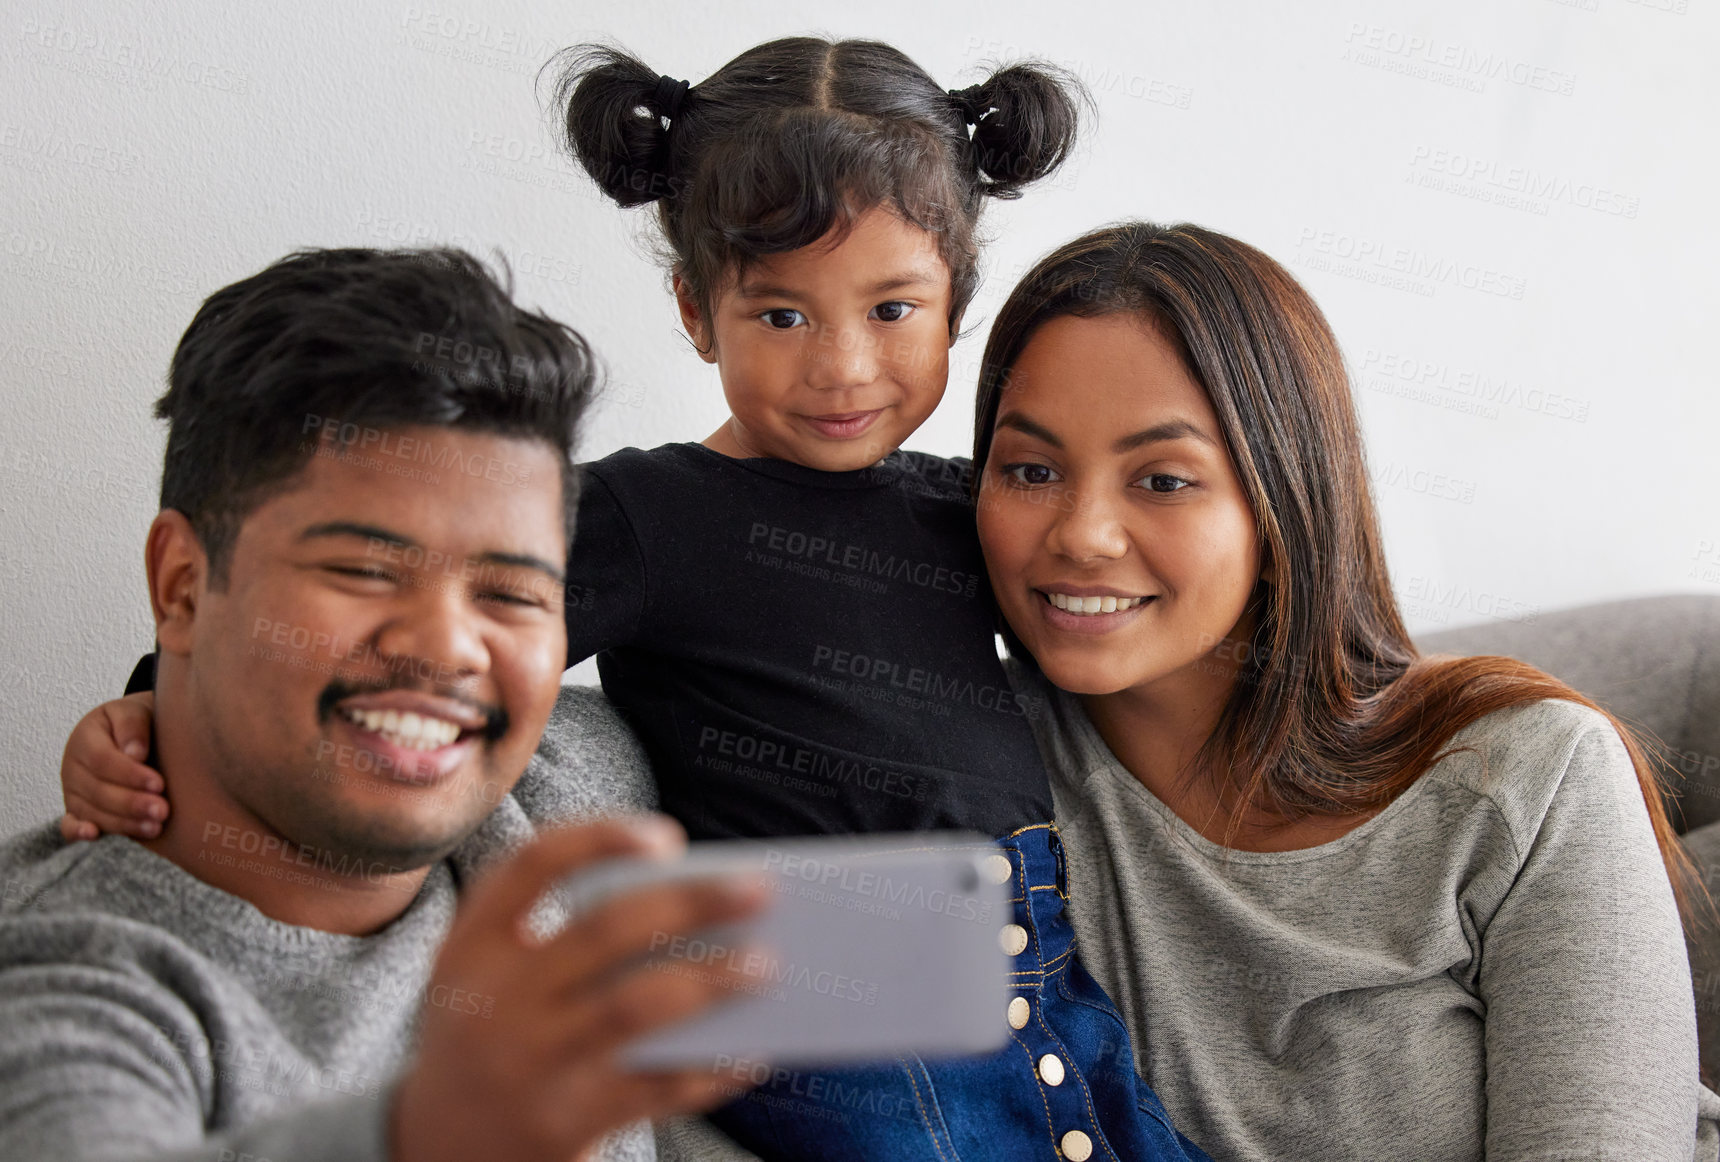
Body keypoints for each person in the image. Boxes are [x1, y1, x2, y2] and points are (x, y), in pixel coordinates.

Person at [59, 35, 1215, 1162]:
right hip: (823, 988)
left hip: (1036, 958)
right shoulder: (649, 513)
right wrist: (156, 703)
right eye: (781, 313)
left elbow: (1115, 606)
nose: (842, 366)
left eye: (891, 310)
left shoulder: (968, 507)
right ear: (691, 307)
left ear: (957, 300)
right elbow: (415, 621)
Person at [969, 221, 1720, 1159]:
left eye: (1162, 479)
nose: (1082, 534)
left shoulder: (1528, 773)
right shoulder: (951, 766)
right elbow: (735, 1029)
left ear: (1286, 498)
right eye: (1030, 471)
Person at [5, 247, 774, 1162]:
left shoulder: (577, 788)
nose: (448, 647)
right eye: (365, 571)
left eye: (511, 594)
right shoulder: (60, 979)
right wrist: (433, 1135)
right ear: (181, 587)